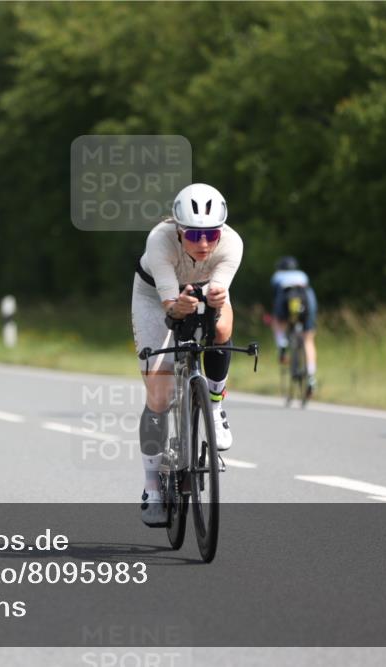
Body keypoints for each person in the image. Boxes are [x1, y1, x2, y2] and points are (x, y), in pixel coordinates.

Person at [131, 183, 243, 526]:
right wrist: (177, 306)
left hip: (205, 291)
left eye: (211, 234)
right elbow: (170, 306)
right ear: (178, 231)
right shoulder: (159, 240)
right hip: (155, 296)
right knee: (160, 393)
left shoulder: (232, 244)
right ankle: (152, 484)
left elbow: (218, 294)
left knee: (222, 329)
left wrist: (209, 303)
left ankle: (216, 403)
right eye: (194, 234)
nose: (204, 243)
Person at [269, 256, 319, 394]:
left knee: (278, 322)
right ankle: (311, 376)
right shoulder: (303, 275)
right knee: (308, 339)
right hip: (306, 299)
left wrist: (277, 317)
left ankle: (282, 345)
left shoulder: (277, 276)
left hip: (285, 298)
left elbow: (275, 298)